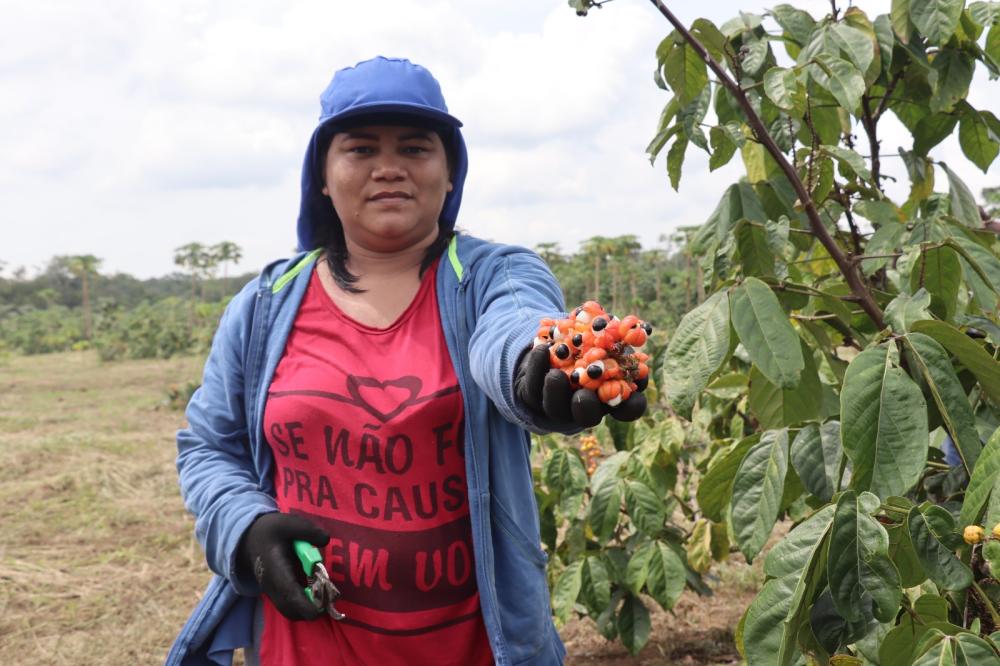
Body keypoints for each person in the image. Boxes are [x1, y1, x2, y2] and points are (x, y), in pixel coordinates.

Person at [166, 56, 645, 666]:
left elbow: (515, 328)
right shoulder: (263, 306)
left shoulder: (492, 276)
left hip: (473, 646)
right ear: (321, 175)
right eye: (361, 150)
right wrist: (246, 528)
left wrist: (536, 369)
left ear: (450, 175)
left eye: (416, 149)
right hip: (305, 648)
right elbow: (209, 447)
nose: (388, 168)